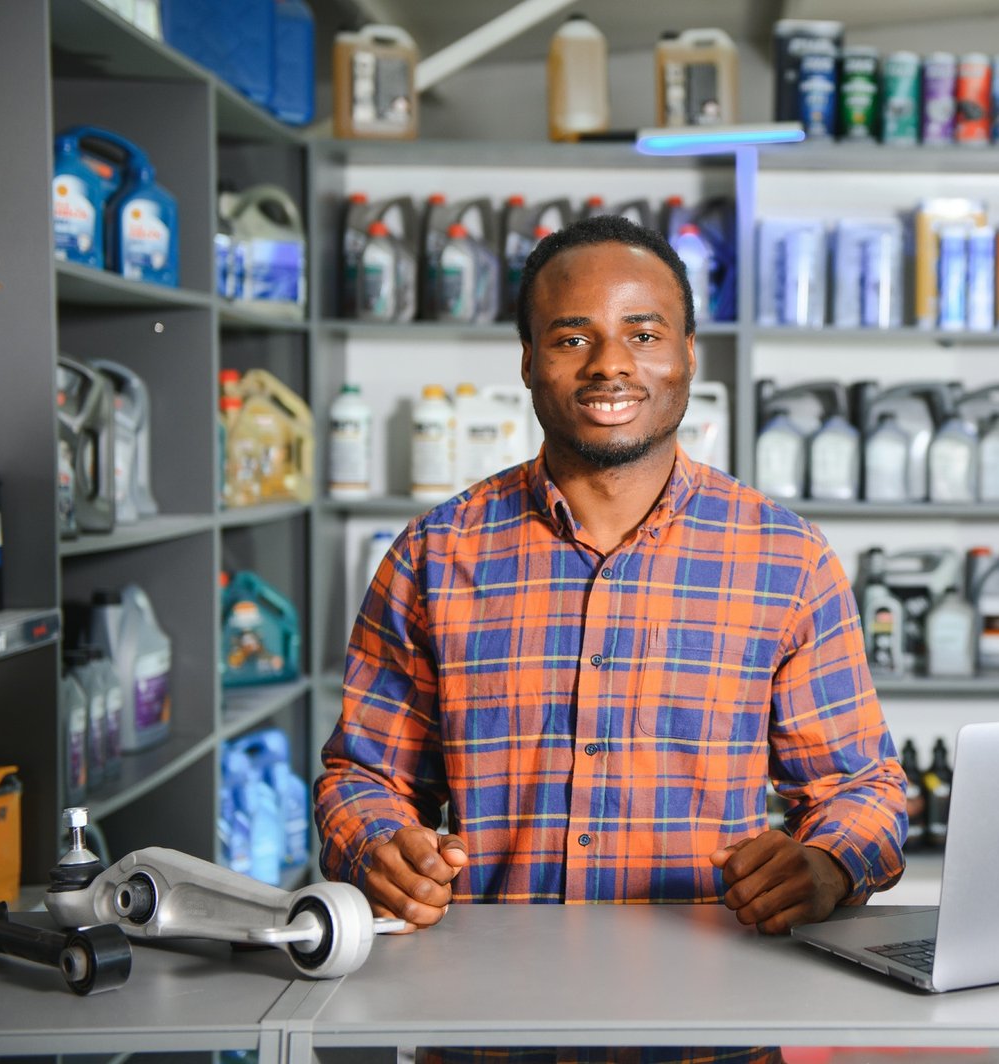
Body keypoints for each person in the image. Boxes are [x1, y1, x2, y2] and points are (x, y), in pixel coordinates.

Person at [314, 215, 908, 1064]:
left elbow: (865, 788)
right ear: (527, 361)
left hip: (714, 1034)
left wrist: (829, 866)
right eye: (571, 337)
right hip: (483, 1034)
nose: (610, 365)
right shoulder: (433, 555)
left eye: (643, 333)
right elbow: (362, 776)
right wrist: (378, 847)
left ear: (688, 353)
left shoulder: (784, 557)